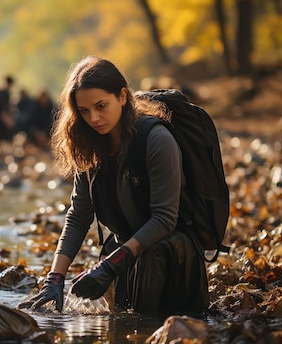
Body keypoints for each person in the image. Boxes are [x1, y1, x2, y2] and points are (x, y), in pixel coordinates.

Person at [18, 56, 208, 315]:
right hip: (124, 253)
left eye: (100, 106)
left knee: (141, 326)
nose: (94, 118)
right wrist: (54, 279)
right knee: (117, 324)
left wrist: (109, 266)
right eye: (84, 111)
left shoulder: (156, 139)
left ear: (121, 96)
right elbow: (78, 216)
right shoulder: (89, 145)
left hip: (171, 255)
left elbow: (165, 218)